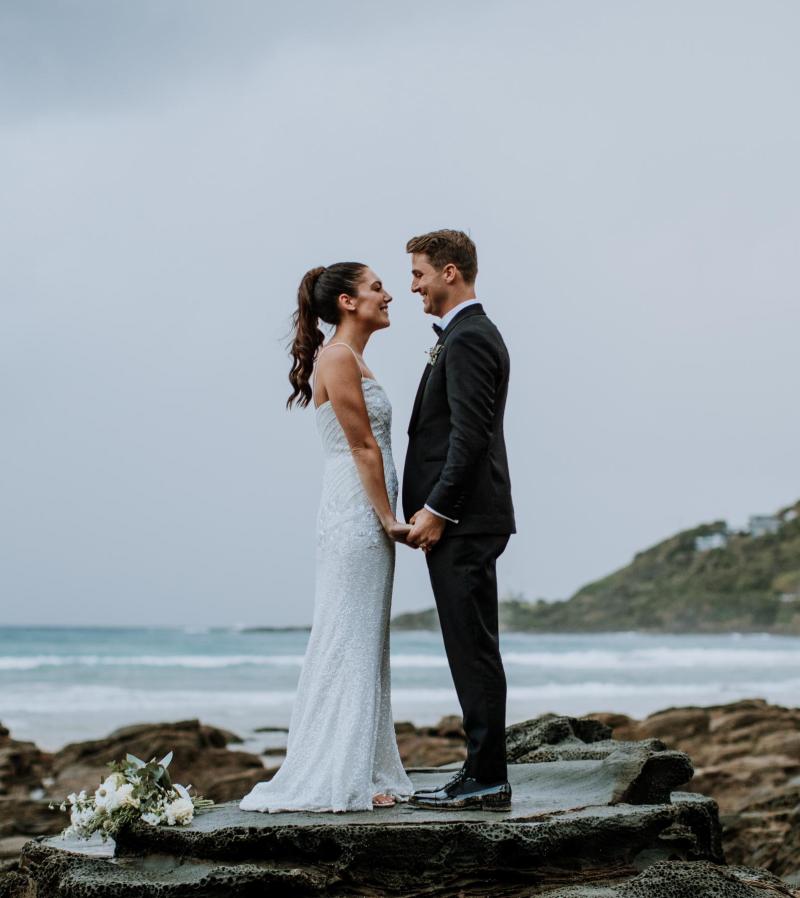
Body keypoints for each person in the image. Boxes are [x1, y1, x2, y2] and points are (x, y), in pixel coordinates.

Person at [239, 262, 414, 813]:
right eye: (377, 287)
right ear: (346, 301)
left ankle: (361, 768)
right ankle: (338, 775)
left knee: (364, 639)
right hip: (357, 516)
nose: (389, 295)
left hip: (365, 513)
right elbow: (363, 446)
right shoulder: (338, 358)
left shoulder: (352, 358)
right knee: (348, 636)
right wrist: (389, 518)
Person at [402, 230, 516, 811]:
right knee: (471, 646)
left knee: (471, 648)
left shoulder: (469, 338)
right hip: (467, 519)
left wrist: (437, 510)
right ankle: (479, 771)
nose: (413, 286)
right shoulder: (464, 335)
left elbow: (469, 437)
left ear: (450, 272)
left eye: (419, 273)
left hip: (464, 520)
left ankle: (487, 778)